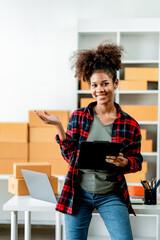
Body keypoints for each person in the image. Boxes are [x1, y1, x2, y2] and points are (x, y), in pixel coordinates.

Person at [34, 42, 143, 240]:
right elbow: (69, 156)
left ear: (115, 83)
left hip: (111, 194)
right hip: (78, 193)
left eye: (105, 83)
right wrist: (59, 127)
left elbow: (137, 160)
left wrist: (125, 162)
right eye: (94, 85)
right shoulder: (79, 117)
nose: (99, 90)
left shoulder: (130, 124)